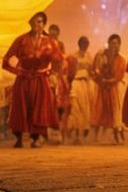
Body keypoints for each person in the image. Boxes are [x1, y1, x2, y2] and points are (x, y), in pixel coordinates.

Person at [5, 12, 62, 147]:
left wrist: (53, 73)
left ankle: (35, 138)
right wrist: (17, 71)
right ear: (30, 22)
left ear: (44, 24)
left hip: (40, 80)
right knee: (20, 108)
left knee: (39, 108)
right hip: (23, 79)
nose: (39, 24)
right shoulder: (21, 40)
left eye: (41, 21)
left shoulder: (49, 42)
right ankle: (18, 138)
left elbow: (59, 59)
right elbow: (7, 59)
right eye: (36, 21)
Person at [90, 35, 125, 144]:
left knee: (114, 111)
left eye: (117, 43)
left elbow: (120, 75)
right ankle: (95, 137)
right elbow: (95, 69)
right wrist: (101, 79)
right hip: (101, 88)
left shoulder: (121, 59)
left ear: (119, 45)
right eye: (112, 43)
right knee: (99, 110)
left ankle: (116, 136)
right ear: (108, 44)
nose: (114, 45)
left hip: (113, 88)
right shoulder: (100, 55)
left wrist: (110, 81)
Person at [63, 35, 94, 143]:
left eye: (87, 43)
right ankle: (73, 132)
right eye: (83, 43)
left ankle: (81, 133)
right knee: (75, 108)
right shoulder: (73, 56)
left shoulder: (89, 57)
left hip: (86, 84)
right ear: (79, 44)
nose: (85, 45)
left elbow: (92, 70)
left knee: (85, 109)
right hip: (75, 83)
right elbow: (68, 71)